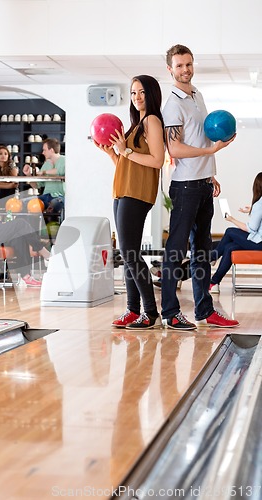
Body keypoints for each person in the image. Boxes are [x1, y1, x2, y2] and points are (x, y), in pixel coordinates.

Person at [161, 44, 239, 329]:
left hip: (203, 184)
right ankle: (170, 312)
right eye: (179, 65)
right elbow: (176, 148)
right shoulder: (173, 105)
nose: (185, 69)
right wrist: (210, 153)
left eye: (189, 64)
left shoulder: (197, 95)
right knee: (176, 250)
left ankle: (205, 311)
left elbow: (200, 138)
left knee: (202, 251)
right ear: (170, 69)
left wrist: (210, 173)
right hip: (185, 188)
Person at [94, 75, 165, 330]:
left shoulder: (153, 121)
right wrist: (114, 155)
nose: (137, 97)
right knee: (127, 254)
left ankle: (149, 312)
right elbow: (128, 165)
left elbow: (157, 161)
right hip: (123, 191)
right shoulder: (136, 125)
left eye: (142, 92)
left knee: (130, 254)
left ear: (152, 94)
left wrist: (125, 151)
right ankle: (133, 310)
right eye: (134, 92)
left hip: (137, 194)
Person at [209, 172, 262, 293]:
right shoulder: (259, 205)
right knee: (229, 247)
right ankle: (214, 282)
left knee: (229, 231)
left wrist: (231, 219)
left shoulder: (259, 204)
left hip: (259, 243)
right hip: (259, 241)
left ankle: (213, 256)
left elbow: (251, 229)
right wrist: (252, 209)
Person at [23, 138, 65, 214]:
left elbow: (60, 171)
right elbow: (37, 185)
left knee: (56, 203)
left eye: (44, 150)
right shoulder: (47, 164)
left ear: (51, 150)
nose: (43, 152)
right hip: (46, 196)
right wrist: (29, 175)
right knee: (24, 203)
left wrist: (43, 172)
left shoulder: (64, 160)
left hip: (59, 197)